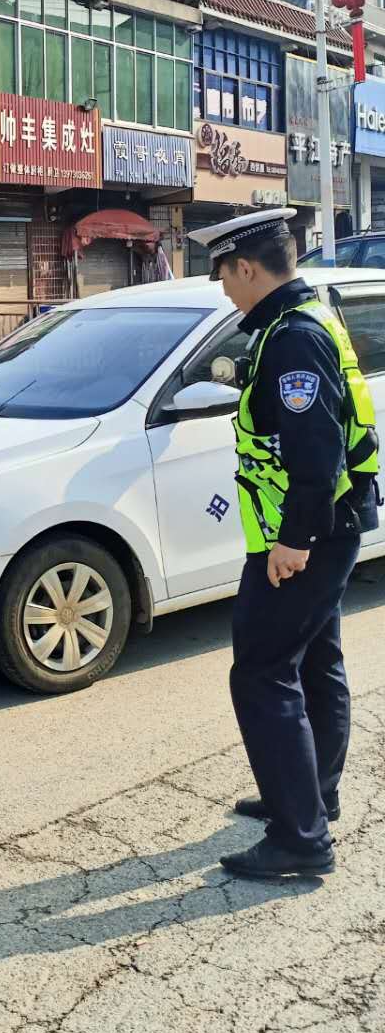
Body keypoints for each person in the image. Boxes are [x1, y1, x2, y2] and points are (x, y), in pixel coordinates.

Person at [188, 209, 379, 879]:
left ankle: (300, 838)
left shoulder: (291, 339)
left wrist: (294, 540)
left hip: (304, 537)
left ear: (246, 267)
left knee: (262, 671)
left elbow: (315, 451)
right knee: (315, 660)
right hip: (324, 528)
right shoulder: (300, 321)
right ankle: (310, 798)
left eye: (223, 274)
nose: (222, 288)